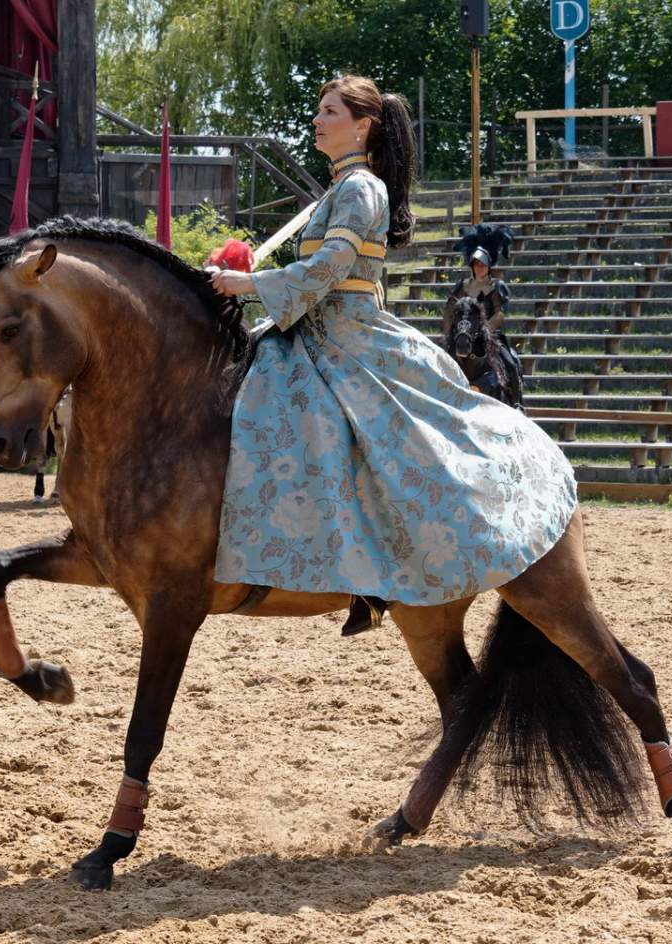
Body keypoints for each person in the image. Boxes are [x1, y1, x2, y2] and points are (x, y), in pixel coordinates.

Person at [209, 75, 576, 635]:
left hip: (349, 336)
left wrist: (250, 284)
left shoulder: (361, 189)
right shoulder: (338, 189)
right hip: (310, 329)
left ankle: (372, 572)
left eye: (329, 111)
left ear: (363, 126)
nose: (316, 120)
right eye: (318, 110)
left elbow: (330, 269)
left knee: (349, 432)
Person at [442, 223, 524, 407]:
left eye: (482, 264)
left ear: (489, 265)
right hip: (462, 336)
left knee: (510, 363)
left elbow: (500, 313)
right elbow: (449, 311)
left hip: (490, 336)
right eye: (476, 264)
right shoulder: (462, 286)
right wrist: (450, 333)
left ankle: (516, 403)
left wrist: (484, 329)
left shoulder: (497, 286)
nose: (479, 268)